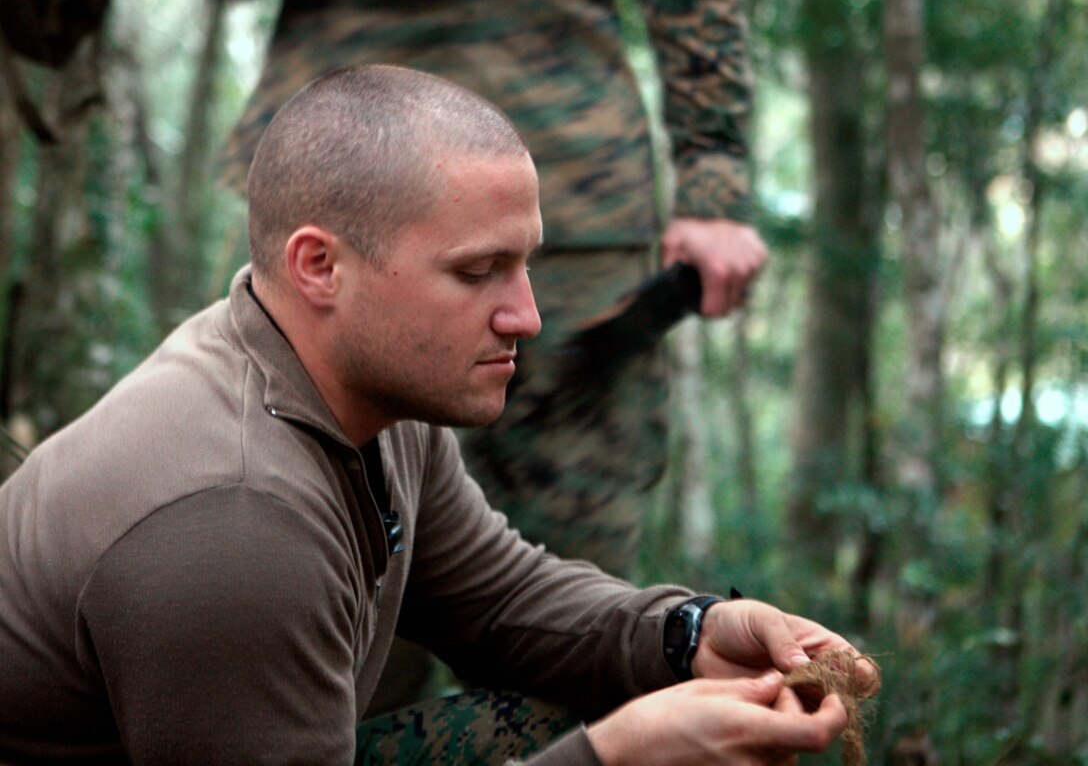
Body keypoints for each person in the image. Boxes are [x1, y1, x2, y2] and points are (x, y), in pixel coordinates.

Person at [0, 65, 868, 765]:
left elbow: (499, 600)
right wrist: (612, 760)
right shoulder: (231, 520)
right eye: (476, 271)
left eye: (524, 265)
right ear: (319, 267)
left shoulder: (361, 386)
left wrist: (688, 633)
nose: (525, 315)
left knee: (585, 706)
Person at [204, 0, 769, 580]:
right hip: (336, 195)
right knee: (301, 544)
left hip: (572, 209)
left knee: (577, 580)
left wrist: (714, 183)